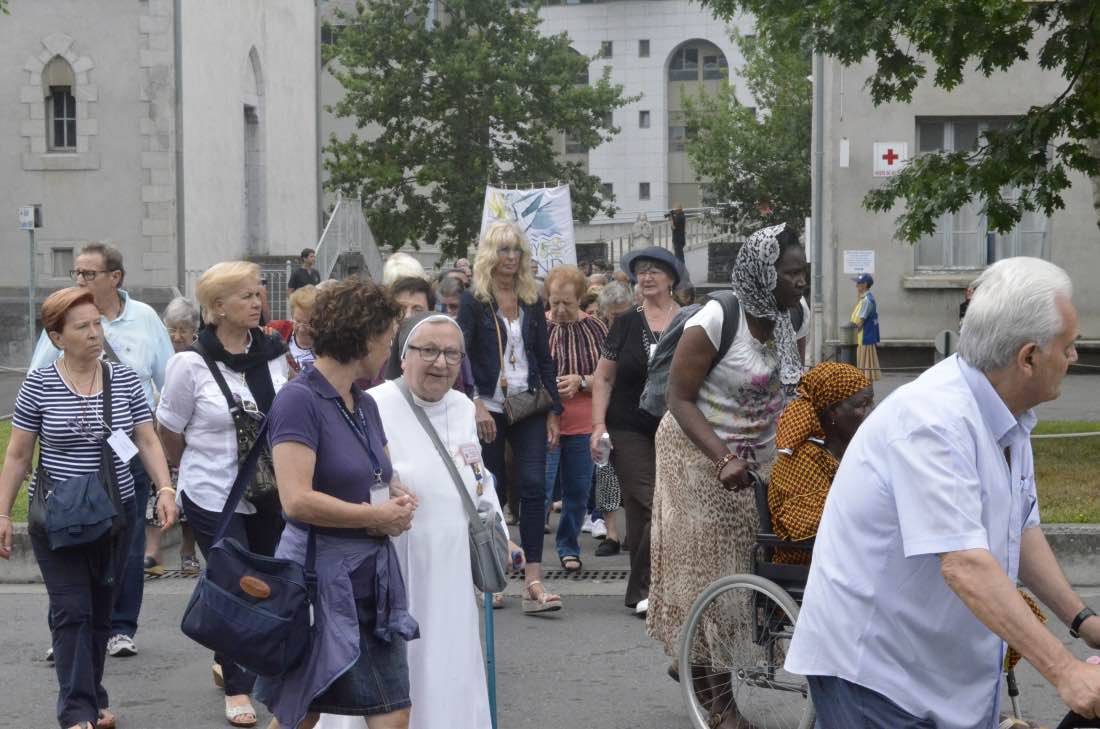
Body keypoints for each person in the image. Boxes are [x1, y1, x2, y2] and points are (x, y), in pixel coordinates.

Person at [785, 257, 1100, 727]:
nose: (1074, 358)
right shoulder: (932, 420)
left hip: (933, 665)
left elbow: (1022, 530)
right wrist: (1065, 672)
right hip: (876, 676)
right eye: (1069, 347)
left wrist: (1084, 622)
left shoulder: (1008, 412)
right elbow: (964, 563)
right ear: (1028, 357)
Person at [647, 223, 808, 722]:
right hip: (696, 455)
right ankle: (718, 704)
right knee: (708, 576)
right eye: (791, 273)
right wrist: (722, 458)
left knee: (749, 570)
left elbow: (790, 388)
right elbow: (679, 398)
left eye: (804, 272)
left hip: (755, 457)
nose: (801, 282)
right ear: (763, 272)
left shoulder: (793, 316)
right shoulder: (718, 318)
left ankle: (695, 660)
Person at [0, 287, 177, 729]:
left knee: (100, 613)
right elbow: (19, 456)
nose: (96, 333)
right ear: (57, 337)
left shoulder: (124, 380)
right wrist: (3, 512)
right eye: (83, 327)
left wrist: (166, 488)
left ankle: (93, 697)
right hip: (57, 518)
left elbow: (147, 438)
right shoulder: (38, 384)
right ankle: (76, 711)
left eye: (97, 323)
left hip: (116, 517)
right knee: (72, 612)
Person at [259, 277, 418, 729]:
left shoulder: (362, 402)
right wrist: (376, 516)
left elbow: (379, 474)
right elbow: (296, 501)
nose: (390, 350)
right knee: (301, 712)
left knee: (391, 710)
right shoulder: (298, 399)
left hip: (371, 577)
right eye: (387, 339)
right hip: (317, 578)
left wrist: (398, 493)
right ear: (364, 336)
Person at [363, 314, 520, 729]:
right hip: (394, 561)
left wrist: (500, 534)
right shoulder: (373, 404)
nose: (440, 363)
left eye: (452, 353)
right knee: (396, 665)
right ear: (404, 354)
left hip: (451, 566)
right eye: (428, 351)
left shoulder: (464, 408)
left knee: (448, 659)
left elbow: (479, 478)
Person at [157, 261, 289, 728]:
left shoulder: (273, 351)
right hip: (213, 491)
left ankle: (233, 656)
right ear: (217, 308)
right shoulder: (188, 364)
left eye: (259, 293)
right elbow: (169, 431)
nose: (258, 302)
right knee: (237, 583)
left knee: (268, 579)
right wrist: (183, 470)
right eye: (247, 296)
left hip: (271, 490)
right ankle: (238, 686)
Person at [30, 242, 174, 660]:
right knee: (67, 541)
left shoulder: (145, 318)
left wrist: (166, 458)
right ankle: (68, 626)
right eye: (76, 273)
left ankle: (118, 627)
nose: (80, 281)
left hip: (129, 447)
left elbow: (166, 382)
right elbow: (41, 375)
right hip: (72, 453)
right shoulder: (62, 319)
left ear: (115, 277)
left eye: (88, 274)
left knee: (126, 546)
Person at [457, 221, 564, 614]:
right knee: (491, 489)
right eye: (503, 250)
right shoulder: (474, 300)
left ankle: (533, 579)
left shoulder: (532, 299)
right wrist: (474, 401)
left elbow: (543, 356)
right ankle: (495, 572)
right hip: (488, 404)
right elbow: (462, 355)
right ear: (490, 254)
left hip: (528, 402)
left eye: (516, 250)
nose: (510, 257)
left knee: (535, 486)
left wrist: (554, 409)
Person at [590, 246, 685, 615]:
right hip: (628, 425)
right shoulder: (626, 322)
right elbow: (603, 377)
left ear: (671, 278)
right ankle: (649, 589)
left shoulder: (689, 320)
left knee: (660, 505)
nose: (646, 277)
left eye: (654, 271)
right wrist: (597, 424)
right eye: (641, 271)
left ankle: (645, 587)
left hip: (676, 423)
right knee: (648, 500)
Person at [768, 363, 872, 565]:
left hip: (850, 551)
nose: (872, 412)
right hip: (814, 561)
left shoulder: (854, 449)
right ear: (833, 411)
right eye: (862, 405)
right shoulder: (802, 458)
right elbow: (812, 527)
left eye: (871, 402)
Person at [544, 265, 608, 572]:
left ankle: (568, 546)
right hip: (543, 421)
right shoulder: (538, 327)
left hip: (583, 421)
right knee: (539, 490)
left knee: (578, 491)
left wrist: (582, 380)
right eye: (554, 301)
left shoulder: (596, 328)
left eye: (567, 303)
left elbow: (609, 377)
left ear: (580, 298)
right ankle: (527, 555)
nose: (559, 309)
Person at [144, 297, 202, 576]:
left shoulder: (199, 358)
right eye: (172, 329)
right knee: (156, 491)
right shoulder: (156, 353)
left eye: (183, 330)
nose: (177, 336)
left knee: (186, 492)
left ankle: (187, 551)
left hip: (185, 437)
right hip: (154, 434)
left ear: (194, 332)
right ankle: (152, 553)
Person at [266, 285, 319, 375]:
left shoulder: (328, 343)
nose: (302, 329)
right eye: (297, 321)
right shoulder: (278, 329)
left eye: (308, 323)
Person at [850, 272, 881, 381]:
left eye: (859, 283)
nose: (856, 286)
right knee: (864, 371)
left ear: (865, 284)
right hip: (861, 338)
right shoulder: (864, 299)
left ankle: (867, 394)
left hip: (864, 339)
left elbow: (861, 321)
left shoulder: (867, 301)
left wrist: (850, 336)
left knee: (865, 372)